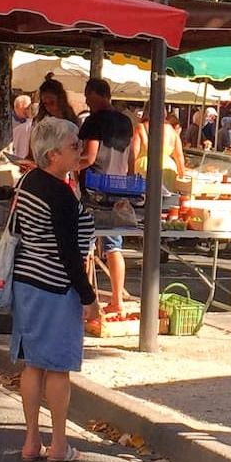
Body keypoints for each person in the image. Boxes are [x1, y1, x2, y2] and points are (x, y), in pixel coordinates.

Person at [11, 116, 101, 462]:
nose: (80, 152)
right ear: (53, 156)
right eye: (73, 147)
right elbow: (69, 254)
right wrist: (89, 297)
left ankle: (31, 440)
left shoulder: (28, 181)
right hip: (56, 286)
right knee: (58, 368)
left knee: (33, 364)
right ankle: (59, 444)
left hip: (27, 280)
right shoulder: (60, 195)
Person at [76, 77, 138, 317]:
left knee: (84, 246)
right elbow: (131, 157)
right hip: (119, 190)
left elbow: (89, 158)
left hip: (94, 192)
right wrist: (128, 180)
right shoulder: (125, 121)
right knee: (114, 246)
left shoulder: (94, 121)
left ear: (97, 94)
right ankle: (117, 300)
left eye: (88, 96)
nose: (86, 101)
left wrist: (70, 163)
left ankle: (83, 301)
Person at [8, 93, 34, 164]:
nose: (28, 111)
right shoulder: (8, 121)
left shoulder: (31, 122)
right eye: (26, 108)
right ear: (17, 108)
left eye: (29, 108)